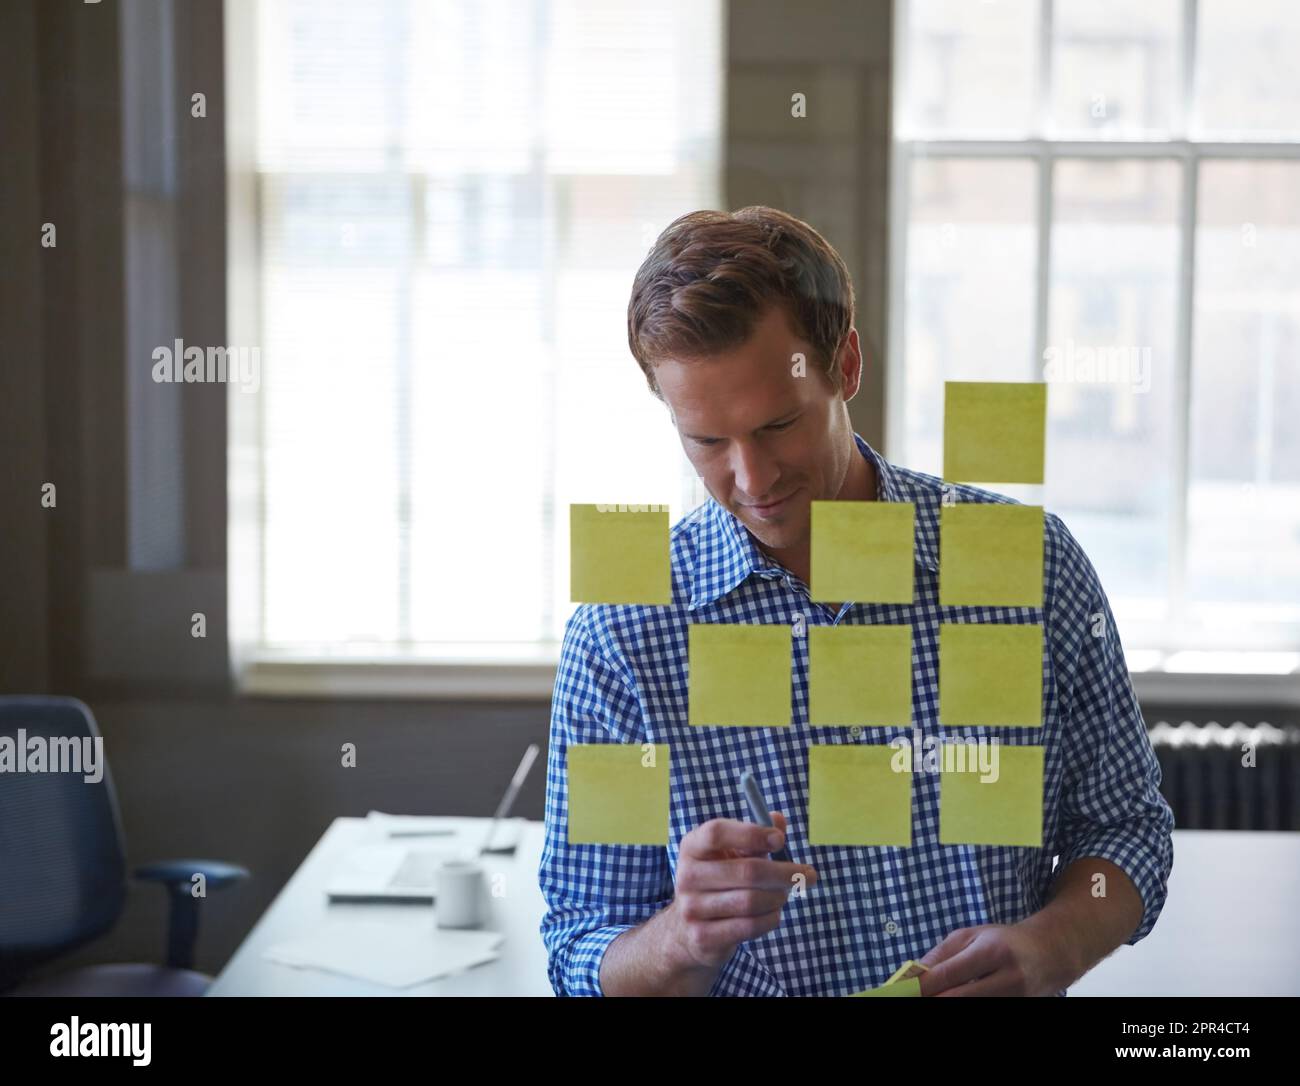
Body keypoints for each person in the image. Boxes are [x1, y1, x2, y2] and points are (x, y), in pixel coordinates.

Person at [538, 205, 1174, 996]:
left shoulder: (1027, 566)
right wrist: (679, 939)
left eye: (778, 425)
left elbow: (1126, 827)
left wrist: (1054, 945)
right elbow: (577, 948)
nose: (754, 479)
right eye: (706, 441)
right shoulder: (624, 633)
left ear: (844, 366)